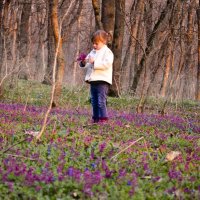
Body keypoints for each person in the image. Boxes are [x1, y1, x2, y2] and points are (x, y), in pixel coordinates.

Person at [78, 30, 114, 123]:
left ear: (104, 42)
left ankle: (103, 119)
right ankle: (96, 118)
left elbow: (107, 64)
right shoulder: (93, 52)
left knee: (101, 101)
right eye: (93, 43)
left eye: (96, 43)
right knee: (94, 101)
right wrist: (83, 62)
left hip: (102, 80)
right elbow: (88, 63)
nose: (94, 45)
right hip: (93, 80)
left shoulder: (108, 52)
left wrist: (94, 62)